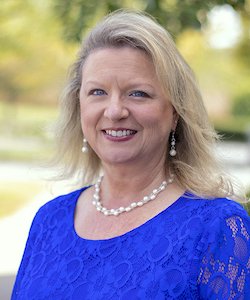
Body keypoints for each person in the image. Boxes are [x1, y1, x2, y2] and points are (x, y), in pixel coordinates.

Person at [12, 9, 250, 299]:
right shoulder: (48, 221)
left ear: (175, 112)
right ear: (80, 107)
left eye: (138, 93)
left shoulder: (218, 228)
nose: (114, 111)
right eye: (97, 92)